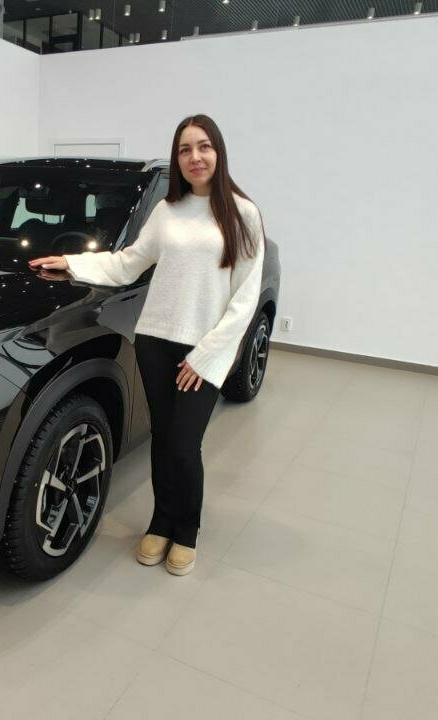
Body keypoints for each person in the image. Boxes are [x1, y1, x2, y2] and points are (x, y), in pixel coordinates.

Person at [29, 114, 265, 576]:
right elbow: (127, 263)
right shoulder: (168, 211)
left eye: (203, 146)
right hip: (156, 341)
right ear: (178, 159)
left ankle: (186, 530)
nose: (195, 157)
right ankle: (160, 522)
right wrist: (72, 263)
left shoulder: (243, 213)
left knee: (185, 445)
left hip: (203, 352)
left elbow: (245, 297)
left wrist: (205, 356)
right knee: (163, 438)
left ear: (218, 151)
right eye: (185, 149)